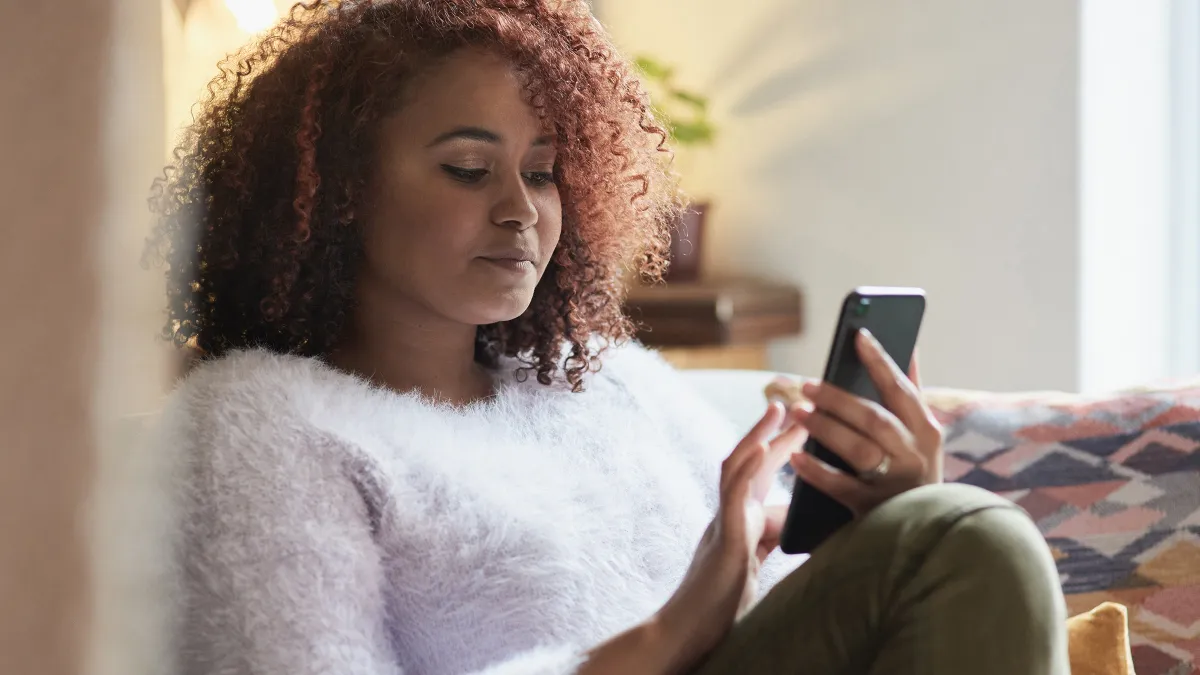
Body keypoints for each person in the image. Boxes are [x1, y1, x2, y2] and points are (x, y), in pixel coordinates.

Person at [144, 1, 1069, 673]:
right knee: (971, 540)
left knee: (955, 533)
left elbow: (781, 619)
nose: (519, 210)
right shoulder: (254, 425)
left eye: (543, 173)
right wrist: (662, 639)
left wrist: (879, 521)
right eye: (469, 169)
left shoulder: (612, 387)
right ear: (335, 196)